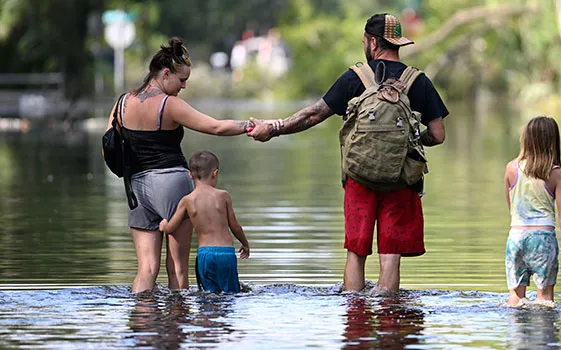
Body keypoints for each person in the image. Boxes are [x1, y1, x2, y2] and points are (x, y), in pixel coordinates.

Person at [247, 13, 449, 293]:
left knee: (356, 252)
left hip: (359, 179)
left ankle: (356, 318)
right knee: (390, 258)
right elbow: (438, 135)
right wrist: (411, 138)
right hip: (402, 180)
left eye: (365, 41)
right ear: (397, 43)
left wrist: (275, 127)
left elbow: (314, 115)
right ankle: (389, 317)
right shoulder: (419, 81)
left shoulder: (356, 77)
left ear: (373, 43)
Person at [105, 37, 261, 293]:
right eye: (182, 80)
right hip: (172, 185)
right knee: (177, 267)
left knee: (146, 269)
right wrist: (252, 125)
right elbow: (216, 127)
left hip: (135, 189)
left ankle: (144, 330)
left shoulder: (122, 103)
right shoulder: (170, 105)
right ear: (166, 74)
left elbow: (107, 147)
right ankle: (177, 329)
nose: (184, 86)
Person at [504, 116, 561, 306]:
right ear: (553, 141)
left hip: (516, 237)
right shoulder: (557, 175)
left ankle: (517, 334)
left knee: (515, 299)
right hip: (543, 240)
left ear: (526, 139)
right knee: (545, 301)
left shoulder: (511, 168)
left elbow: (511, 209)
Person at [159, 151, 250, 293]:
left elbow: (171, 228)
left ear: (190, 175)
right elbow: (235, 226)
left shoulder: (187, 200)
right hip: (225, 254)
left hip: (204, 255)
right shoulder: (223, 196)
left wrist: (164, 225)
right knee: (230, 295)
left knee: (207, 298)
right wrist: (245, 243)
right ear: (215, 173)